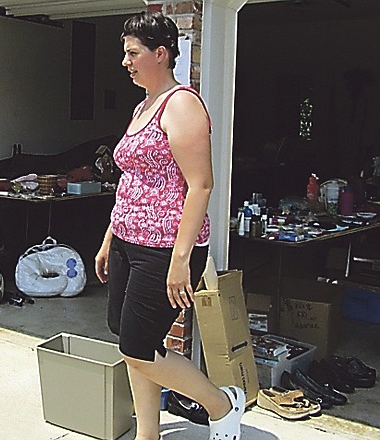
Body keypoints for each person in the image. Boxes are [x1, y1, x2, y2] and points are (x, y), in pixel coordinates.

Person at [94, 12, 245, 440]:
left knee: (137, 348)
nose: (125, 61)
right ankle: (148, 434)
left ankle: (221, 404)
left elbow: (201, 185)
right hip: (127, 240)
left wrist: (181, 261)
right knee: (130, 341)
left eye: (132, 53)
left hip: (165, 250)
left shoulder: (182, 104)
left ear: (160, 54)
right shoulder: (143, 106)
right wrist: (109, 238)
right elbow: (131, 180)